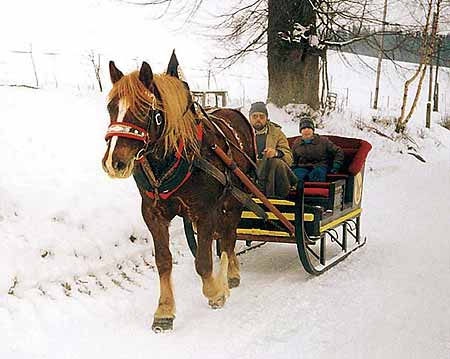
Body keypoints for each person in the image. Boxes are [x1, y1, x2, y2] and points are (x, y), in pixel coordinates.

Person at [249, 101, 297, 198]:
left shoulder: (277, 133)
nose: (258, 119)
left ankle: (275, 198)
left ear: (266, 118)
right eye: (255, 116)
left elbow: (289, 157)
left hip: (271, 171)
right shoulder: (243, 132)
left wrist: (276, 153)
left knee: (276, 163)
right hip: (250, 170)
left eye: (261, 116)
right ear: (250, 118)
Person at [291, 117, 344, 183]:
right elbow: (293, 159)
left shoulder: (323, 141)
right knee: (297, 175)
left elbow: (338, 151)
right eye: (304, 128)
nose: (306, 130)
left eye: (309, 128)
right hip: (303, 166)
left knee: (317, 174)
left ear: (313, 130)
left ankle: (315, 192)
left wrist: (336, 165)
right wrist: (291, 169)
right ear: (301, 131)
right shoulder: (297, 143)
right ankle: (298, 192)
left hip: (320, 166)